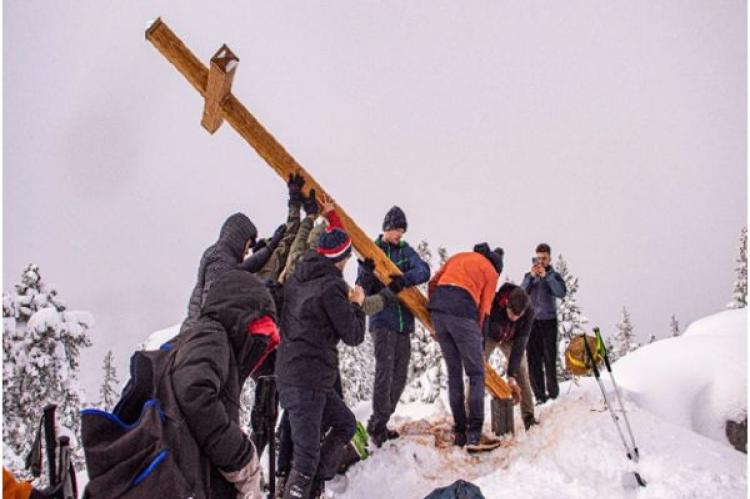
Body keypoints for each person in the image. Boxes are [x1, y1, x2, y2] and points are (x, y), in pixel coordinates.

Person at [275, 226, 366, 499]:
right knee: (306, 458)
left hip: (294, 375)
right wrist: (357, 304)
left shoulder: (297, 279)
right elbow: (353, 334)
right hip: (309, 380)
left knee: (345, 424)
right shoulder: (331, 287)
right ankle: (299, 489)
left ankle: (311, 486)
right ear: (343, 258)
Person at [173, 269, 280, 499]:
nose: (259, 344)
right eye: (258, 333)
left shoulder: (215, 340)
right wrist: (241, 459)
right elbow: (194, 391)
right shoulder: (211, 334)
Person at [356, 206, 431, 447]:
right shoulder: (373, 251)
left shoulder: (405, 251)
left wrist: (405, 279)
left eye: (402, 230)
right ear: (386, 229)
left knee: (399, 377)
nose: (399, 234)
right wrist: (368, 273)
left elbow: (424, 270)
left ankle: (382, 420)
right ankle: (377, 425)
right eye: (396, 230)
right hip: (382, 321)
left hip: (403, 323)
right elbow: (362, 288)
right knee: (385, 372)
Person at [427, 243, 504, 451]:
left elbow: (433, 282)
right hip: (462, 313)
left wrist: (434, 316)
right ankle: (474, 435)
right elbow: (485, 311)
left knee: (454, 373)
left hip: (438, 310)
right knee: (476, 373)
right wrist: (478, 340)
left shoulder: (459, 256)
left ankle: (460, 432)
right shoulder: (491, 272)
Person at [181, 212, 286, 334]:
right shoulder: (220, 260)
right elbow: (218, 297)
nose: (247, 252)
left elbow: (246, 268)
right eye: (248, 245)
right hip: (200, 336)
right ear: (239, 240)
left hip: (200, 333)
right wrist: (264, 289)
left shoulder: (223, 256)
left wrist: (270, 248)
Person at [484, 283, 538, 430]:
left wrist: (511, 374)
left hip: (512, 339)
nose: (514, 318)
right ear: (507, 304)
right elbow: (482, 326)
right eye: (512, 313)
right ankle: (469, 415)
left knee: (521, 370)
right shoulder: (494, 302)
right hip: (490, 335)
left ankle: (528, 416)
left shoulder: (528, 313)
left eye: (518, 315)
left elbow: (521, 343)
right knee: (476, 367)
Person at [521, 243, 567, 404]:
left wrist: (547, 276)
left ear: (549, 258)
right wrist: (531, 277)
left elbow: (561, 292)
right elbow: (521, 293)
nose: (541, 261)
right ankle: (540, 395)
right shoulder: (529, 276)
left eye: (544, 258)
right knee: (533, 360)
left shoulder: (554, 276)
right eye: (538, 258)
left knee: (549, 358)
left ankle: (553, 393)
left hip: (549, 321)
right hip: (532, 322)